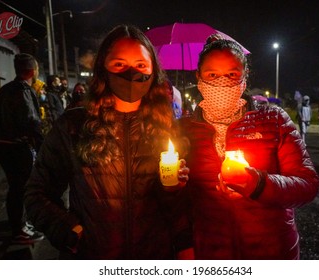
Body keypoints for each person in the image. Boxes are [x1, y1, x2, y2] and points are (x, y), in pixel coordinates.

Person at [24, 24, 193, 260]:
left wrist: (173, 189)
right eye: (119, 64)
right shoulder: (73, 125)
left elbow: (177, 209)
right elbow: (36, 194)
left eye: (141, 65)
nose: (131, 73)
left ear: (153, 72)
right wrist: (70, 231)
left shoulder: (166, 126)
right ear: (103, 68)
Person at [181, 35, 319, 259]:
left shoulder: (273, 119)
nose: (222, 83)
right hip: (211, 251)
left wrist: (257, 184)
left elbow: (308, 184)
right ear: (199, 77)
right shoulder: (184, 129)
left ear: (244, 79)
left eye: (232, 75)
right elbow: (177, 203)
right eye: (212, 75)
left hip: (272, 251)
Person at [0, 53, 44, 244]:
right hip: (16, 147)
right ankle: (18, 230)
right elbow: (31, 121)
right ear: (32, 71)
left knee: (15, 186)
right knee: (20, 188)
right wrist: (43, 146)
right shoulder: (23, 90)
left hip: (2, 145)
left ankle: (18, 222)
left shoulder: (5, 89)